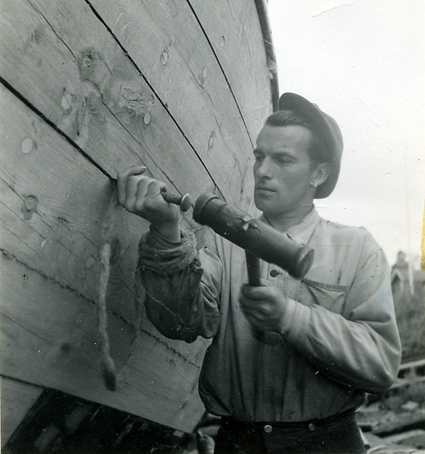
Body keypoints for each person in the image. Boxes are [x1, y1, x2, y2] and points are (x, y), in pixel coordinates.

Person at [117, 93, 401, 453]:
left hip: (328, 445)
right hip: (240, 444)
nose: (263, 171)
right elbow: (180, 324)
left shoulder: (358, 249)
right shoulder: (223, 244)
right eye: (259, 156)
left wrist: (290, 317)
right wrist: (165, 230)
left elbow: (381, 365)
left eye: (282, 159)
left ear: (319, 172)